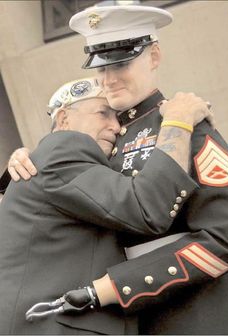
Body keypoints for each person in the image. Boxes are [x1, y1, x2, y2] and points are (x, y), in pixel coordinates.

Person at [6, 5, 228, 335]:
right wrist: (27, 156)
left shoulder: (186, 126)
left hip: (192, 313)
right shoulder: (98, 141)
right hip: (119, 322)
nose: (109, 78)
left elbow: (226, 239)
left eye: (122, 62)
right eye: (101, 66)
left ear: (154, 56)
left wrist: (119, 286)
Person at [0, 76, 212, 335]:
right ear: (64, 119)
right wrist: (178, 122)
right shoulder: (64, 147)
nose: (116, 127)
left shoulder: (53, 162)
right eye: (103, 113)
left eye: (120, 118)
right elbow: (147, 208)